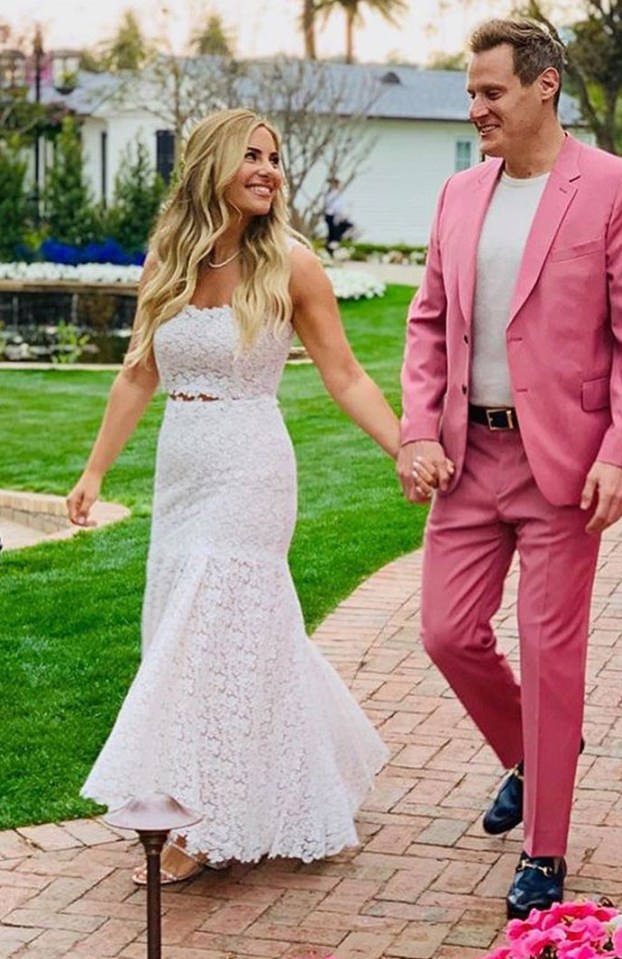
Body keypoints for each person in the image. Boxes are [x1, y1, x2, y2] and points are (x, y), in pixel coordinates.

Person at [67, 108, 424, 884]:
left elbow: (345, 373)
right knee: (203, 630)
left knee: (210, 628)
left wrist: (407, 446)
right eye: (250, 156)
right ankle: (297, 779)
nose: (267, 169)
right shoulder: (168, 257)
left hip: (250, 468)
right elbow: (137, 372)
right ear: (211, 166)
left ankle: (199, 819)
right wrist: (95, 471)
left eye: (273, 157)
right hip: (182, 468)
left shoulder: (291, 263)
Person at [396, 19, 622, 918]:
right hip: (468, 457)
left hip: (564, 464)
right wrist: (416, 432)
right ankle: (533, 748)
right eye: (471, 94)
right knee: (445, 630)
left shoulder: (616, 189)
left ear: (543, 86)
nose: (475, 109)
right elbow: (429, 322)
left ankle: (543, 853)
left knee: (553, 656)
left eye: (490, 93)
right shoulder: (457, 196)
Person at [324, 177, 354, 255]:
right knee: (332, 233)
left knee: (336, 233)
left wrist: (341, 216)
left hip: (336, 216)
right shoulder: (330, 194)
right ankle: (330, 250)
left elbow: (338, 207)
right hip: (330, 216)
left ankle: (332, 248)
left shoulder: (337, 194)